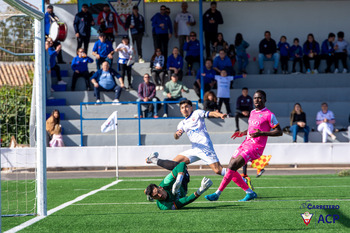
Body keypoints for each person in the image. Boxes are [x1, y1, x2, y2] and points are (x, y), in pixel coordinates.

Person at [205, 90, 283, 202]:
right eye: (255, 98)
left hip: (256, 147)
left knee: (232, 165)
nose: (257, 100)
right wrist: (243, 132)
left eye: (260, 98)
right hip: (246, 143)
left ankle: (217, 193)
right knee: (231, 168)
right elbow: (252, 129)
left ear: (265, 100)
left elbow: (279, 132)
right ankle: (249, 192)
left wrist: (261, 133)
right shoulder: (252, 112)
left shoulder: (269, 115)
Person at [146, 99, 228, 177]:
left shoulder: (197, 113)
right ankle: (154, 160)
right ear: (180, 110)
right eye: (182, 108)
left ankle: (237, 176)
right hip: (195, 149)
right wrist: (177, 134)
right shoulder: (182, 123)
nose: (184, 109)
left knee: (218, 170)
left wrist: (220, 115)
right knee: (174, 164)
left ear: (191, 107)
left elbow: (210, 113)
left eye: (186, 107)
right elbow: (176, 137)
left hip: (205, 147)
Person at [144, 162, 213, 210]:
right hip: (184, 191)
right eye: (156, 196)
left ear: (160, 188)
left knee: (177, 165)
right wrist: (201, 190)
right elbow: (185, 201)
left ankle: (155, 160)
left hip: (183, 182)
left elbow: (182, 164)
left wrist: (178, 180)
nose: (160, 195)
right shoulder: (164, 206)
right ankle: (149, 195)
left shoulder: (165, 183)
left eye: (158, 192)